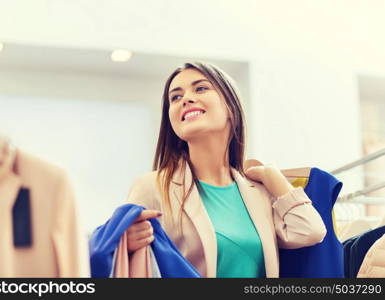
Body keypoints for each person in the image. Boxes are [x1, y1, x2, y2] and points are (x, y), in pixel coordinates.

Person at [125, 62, 326, 278]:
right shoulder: (151, 187)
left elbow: (310, 231)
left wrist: (273, 177)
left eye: (201, 88)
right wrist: (124, 244)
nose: (186, 99)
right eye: (175, 97)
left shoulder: (258, 193)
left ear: (231, 107)